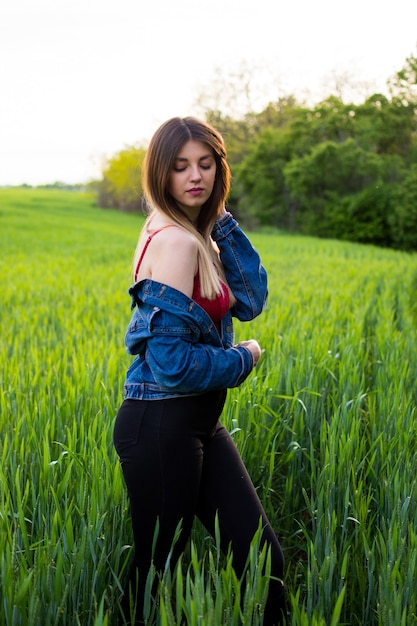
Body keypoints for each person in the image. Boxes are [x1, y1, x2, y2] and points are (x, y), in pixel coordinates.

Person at [113, 116, 288, 625]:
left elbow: (250, 300)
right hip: (160, 426)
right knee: (157, 576)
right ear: (159, 173)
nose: (195, 176)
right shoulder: (176, 242)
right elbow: (171, 366)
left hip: (198, 427)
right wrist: (243, 359)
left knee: (261, 559)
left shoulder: (195, 233)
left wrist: (221, 220)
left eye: (206, 164)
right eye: (180, 166)